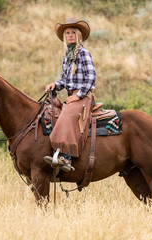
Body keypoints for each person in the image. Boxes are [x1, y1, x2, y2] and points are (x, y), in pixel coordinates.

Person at [44, 18, 96, 172]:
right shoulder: (66, 57)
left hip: (84, 97)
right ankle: (56, 152)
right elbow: (65, 80)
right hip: (71, 97)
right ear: (65, 36)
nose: (70, 35)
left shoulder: (84, 53)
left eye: (73, 32)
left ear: (78, 35)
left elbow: (91, 77)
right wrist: (55, 84)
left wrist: (78, 95)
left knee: (67, 115)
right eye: (67, 33)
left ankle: (66, 157)